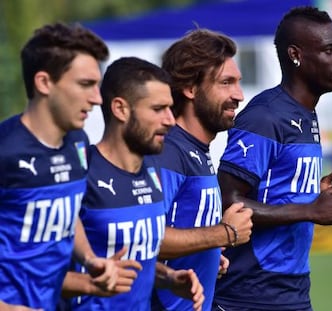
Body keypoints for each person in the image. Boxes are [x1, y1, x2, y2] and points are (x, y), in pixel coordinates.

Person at [212, 6, 332, 311]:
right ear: (296, 55)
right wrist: (310, 209)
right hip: (250, 293)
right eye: (330, 50)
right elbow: (228, 200)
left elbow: (275, 190)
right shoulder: (265, 116)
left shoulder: (305, 115)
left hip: (293, 289)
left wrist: (315, 196)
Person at [63, 56, 204, 311]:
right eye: (158, 109)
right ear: (120, 109)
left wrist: (169, 279)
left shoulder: (152, 171)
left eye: (170, 109)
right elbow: (33, 272)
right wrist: (90, 282)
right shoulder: (81, 175)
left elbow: (139, 261)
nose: (170, 120)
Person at [0, 23, 119, 310]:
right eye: (85, 84)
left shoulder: (78, 142)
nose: (97, 99)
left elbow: (68, 213)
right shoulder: (5, 150)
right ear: (44, 83)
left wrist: (90, 259)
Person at [150, 29, 253, 311]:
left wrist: (205, 255)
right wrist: (224, 233)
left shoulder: (197, 150)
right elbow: (147, 237)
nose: (239, 95)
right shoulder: (169, 152)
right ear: (191, 88)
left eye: (238, 83)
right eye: (226, 83)